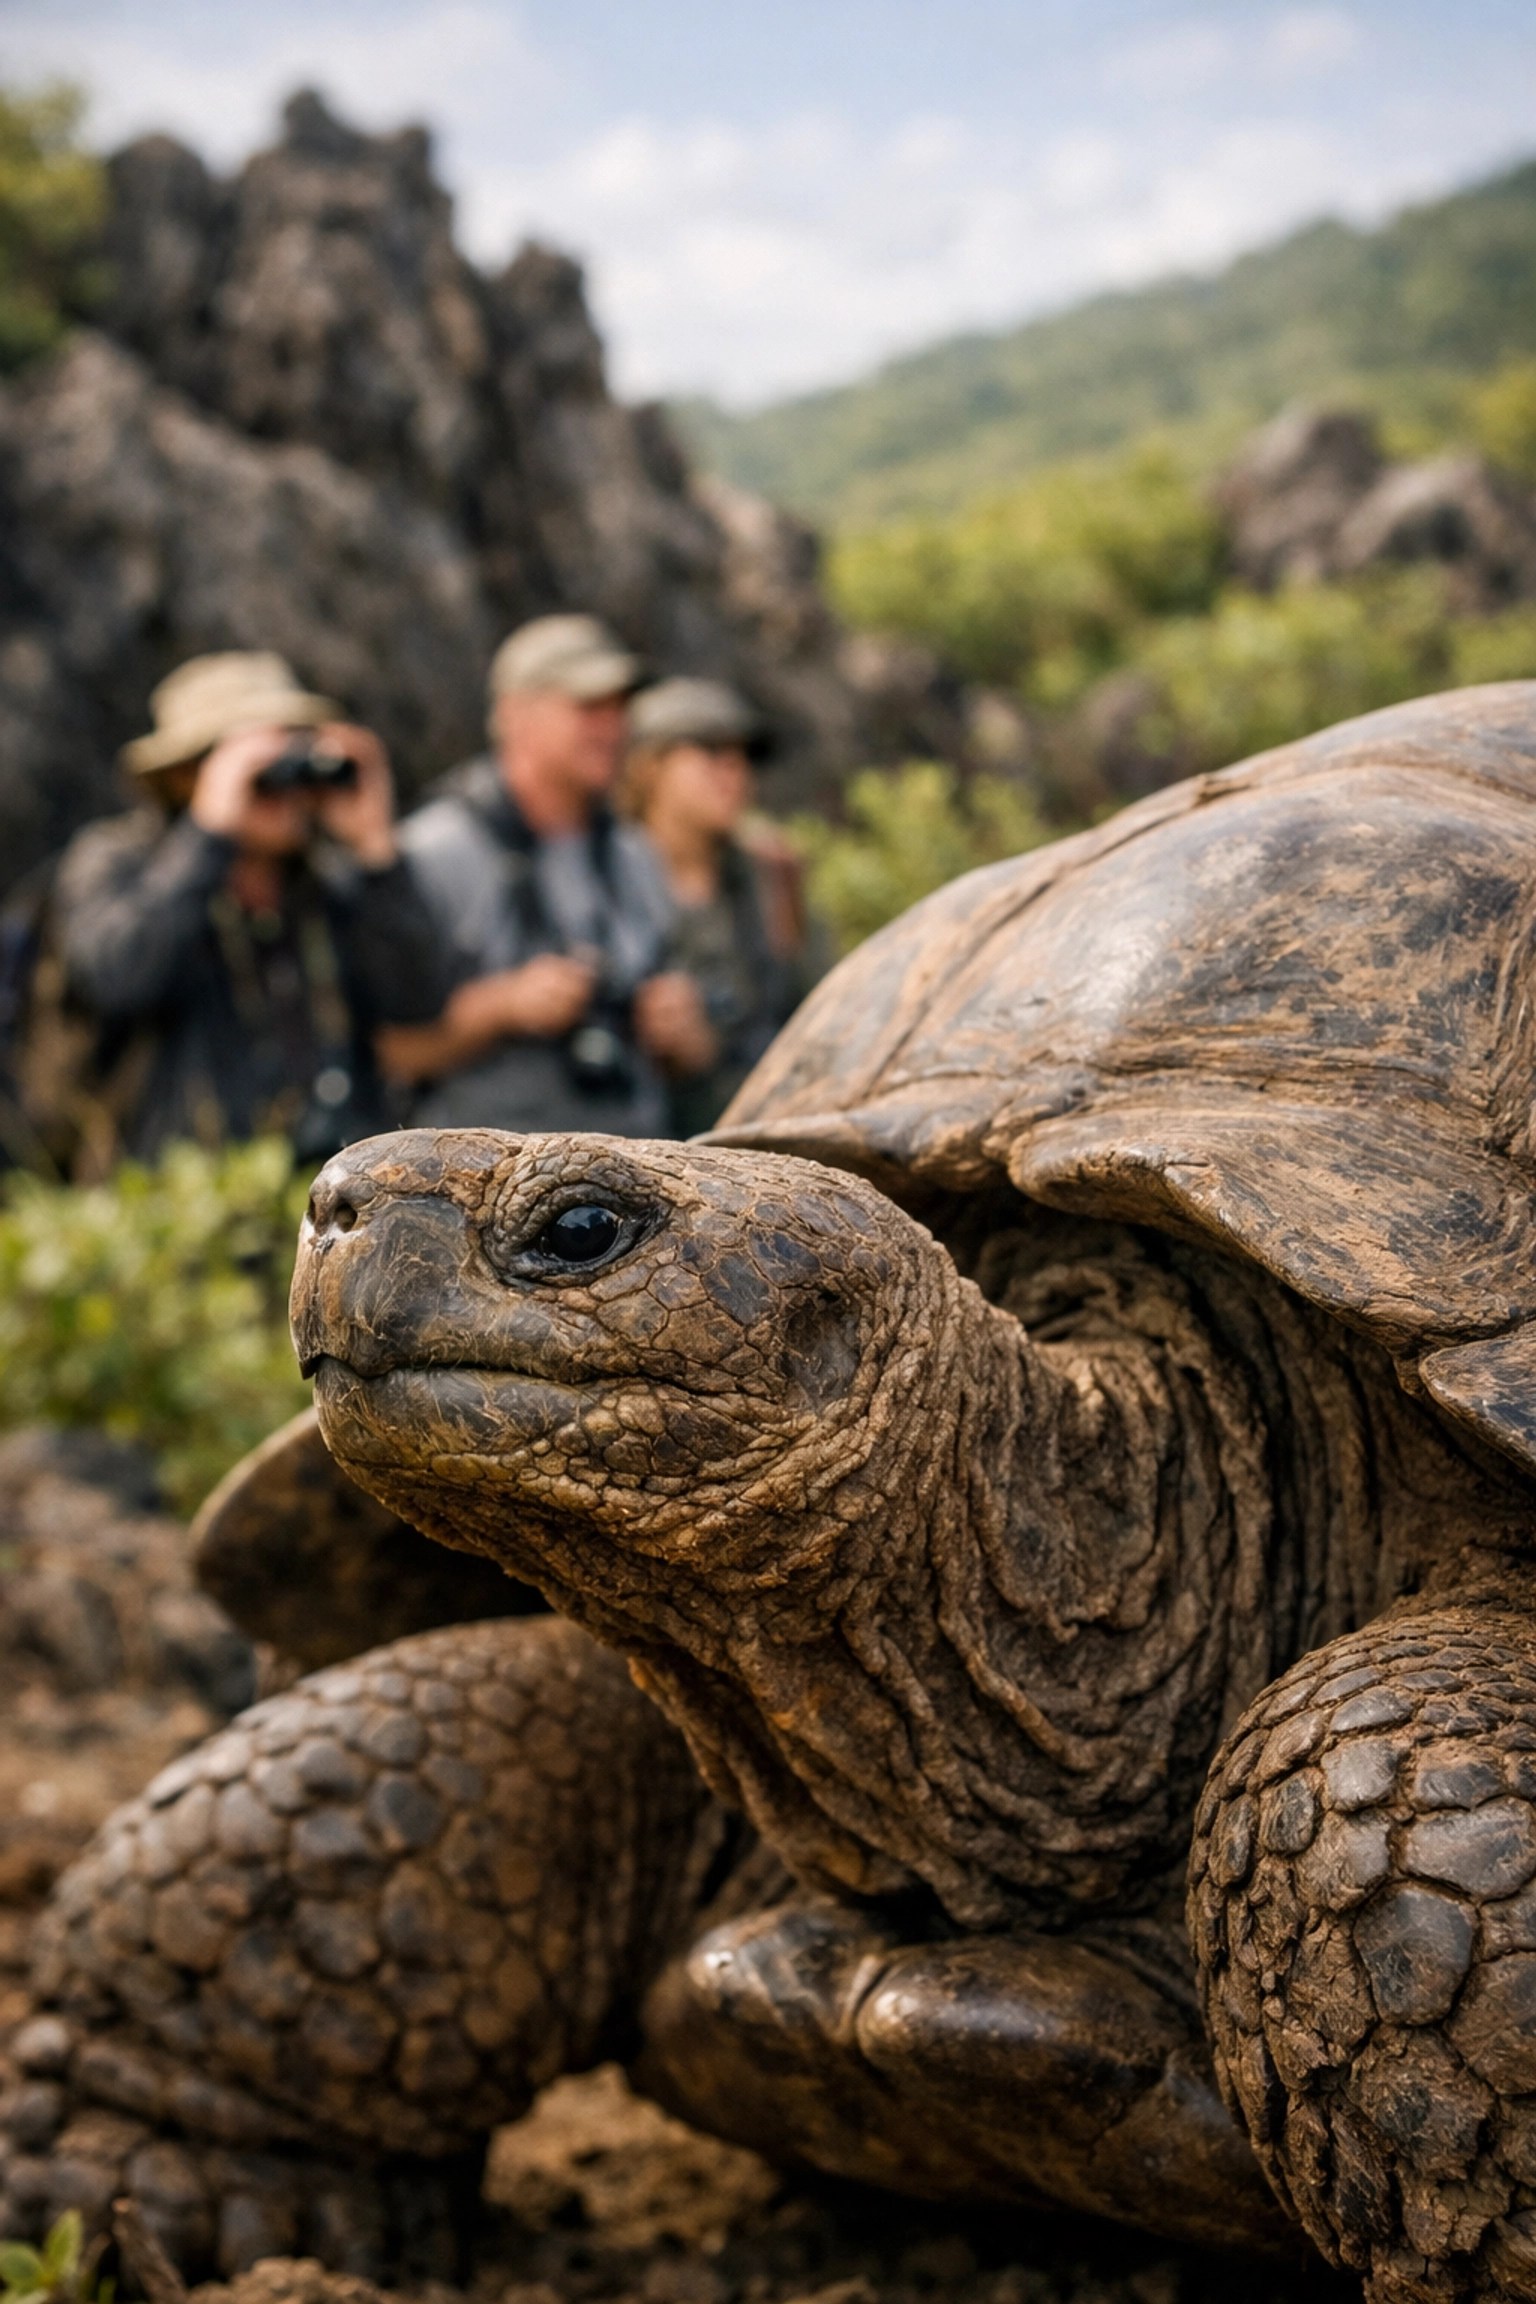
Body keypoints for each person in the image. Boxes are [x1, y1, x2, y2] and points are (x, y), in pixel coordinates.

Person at [49, 652, 449, 1167]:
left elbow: (419, 1004)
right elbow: (118, 979)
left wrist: (376, 850)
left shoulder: (325, 882)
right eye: (263, 770)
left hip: (329, 1187)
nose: (289, 790)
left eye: (294, 759)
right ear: (184, 776)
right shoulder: (117, 860)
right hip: (179, 1193)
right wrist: (210, 833)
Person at [383, 614, 714, 1134]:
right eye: (588, 707)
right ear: (516, 715)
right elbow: (391, 1052)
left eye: (620, 708)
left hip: (635, 1172)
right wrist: (504, 1006)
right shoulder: (431, 852)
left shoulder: (634, 853)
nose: (613, 728)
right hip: (486, 1187)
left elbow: (691, 1053)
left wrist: (682, 1033)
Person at [622, 676, 828, 1134]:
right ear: (649, 765)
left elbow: (818, 1018)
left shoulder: (769, 876)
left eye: (744, 758)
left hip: (758, 1130)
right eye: (711, 753)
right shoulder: (596, 873)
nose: (735, 775)